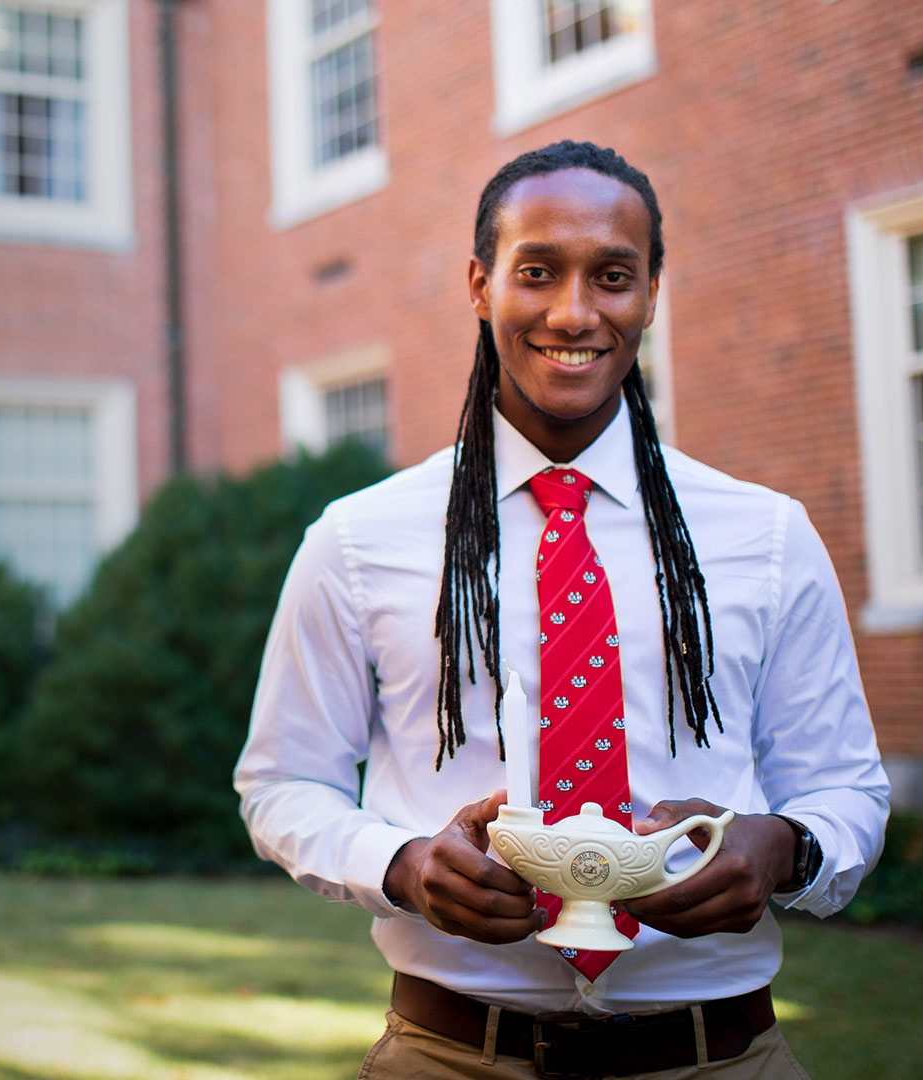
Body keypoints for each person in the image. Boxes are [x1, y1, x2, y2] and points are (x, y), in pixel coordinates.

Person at [233, 141, 889, 1079]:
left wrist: (782, 848)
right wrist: (402, 864)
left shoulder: (767, 536)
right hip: (453, 1051)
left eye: (613, 276)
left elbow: (849, 790)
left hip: (719, 1055)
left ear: (651, 293)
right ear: (479, 285)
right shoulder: (356, 540)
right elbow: (282, 783)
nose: (574, 313)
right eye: (537, 272)